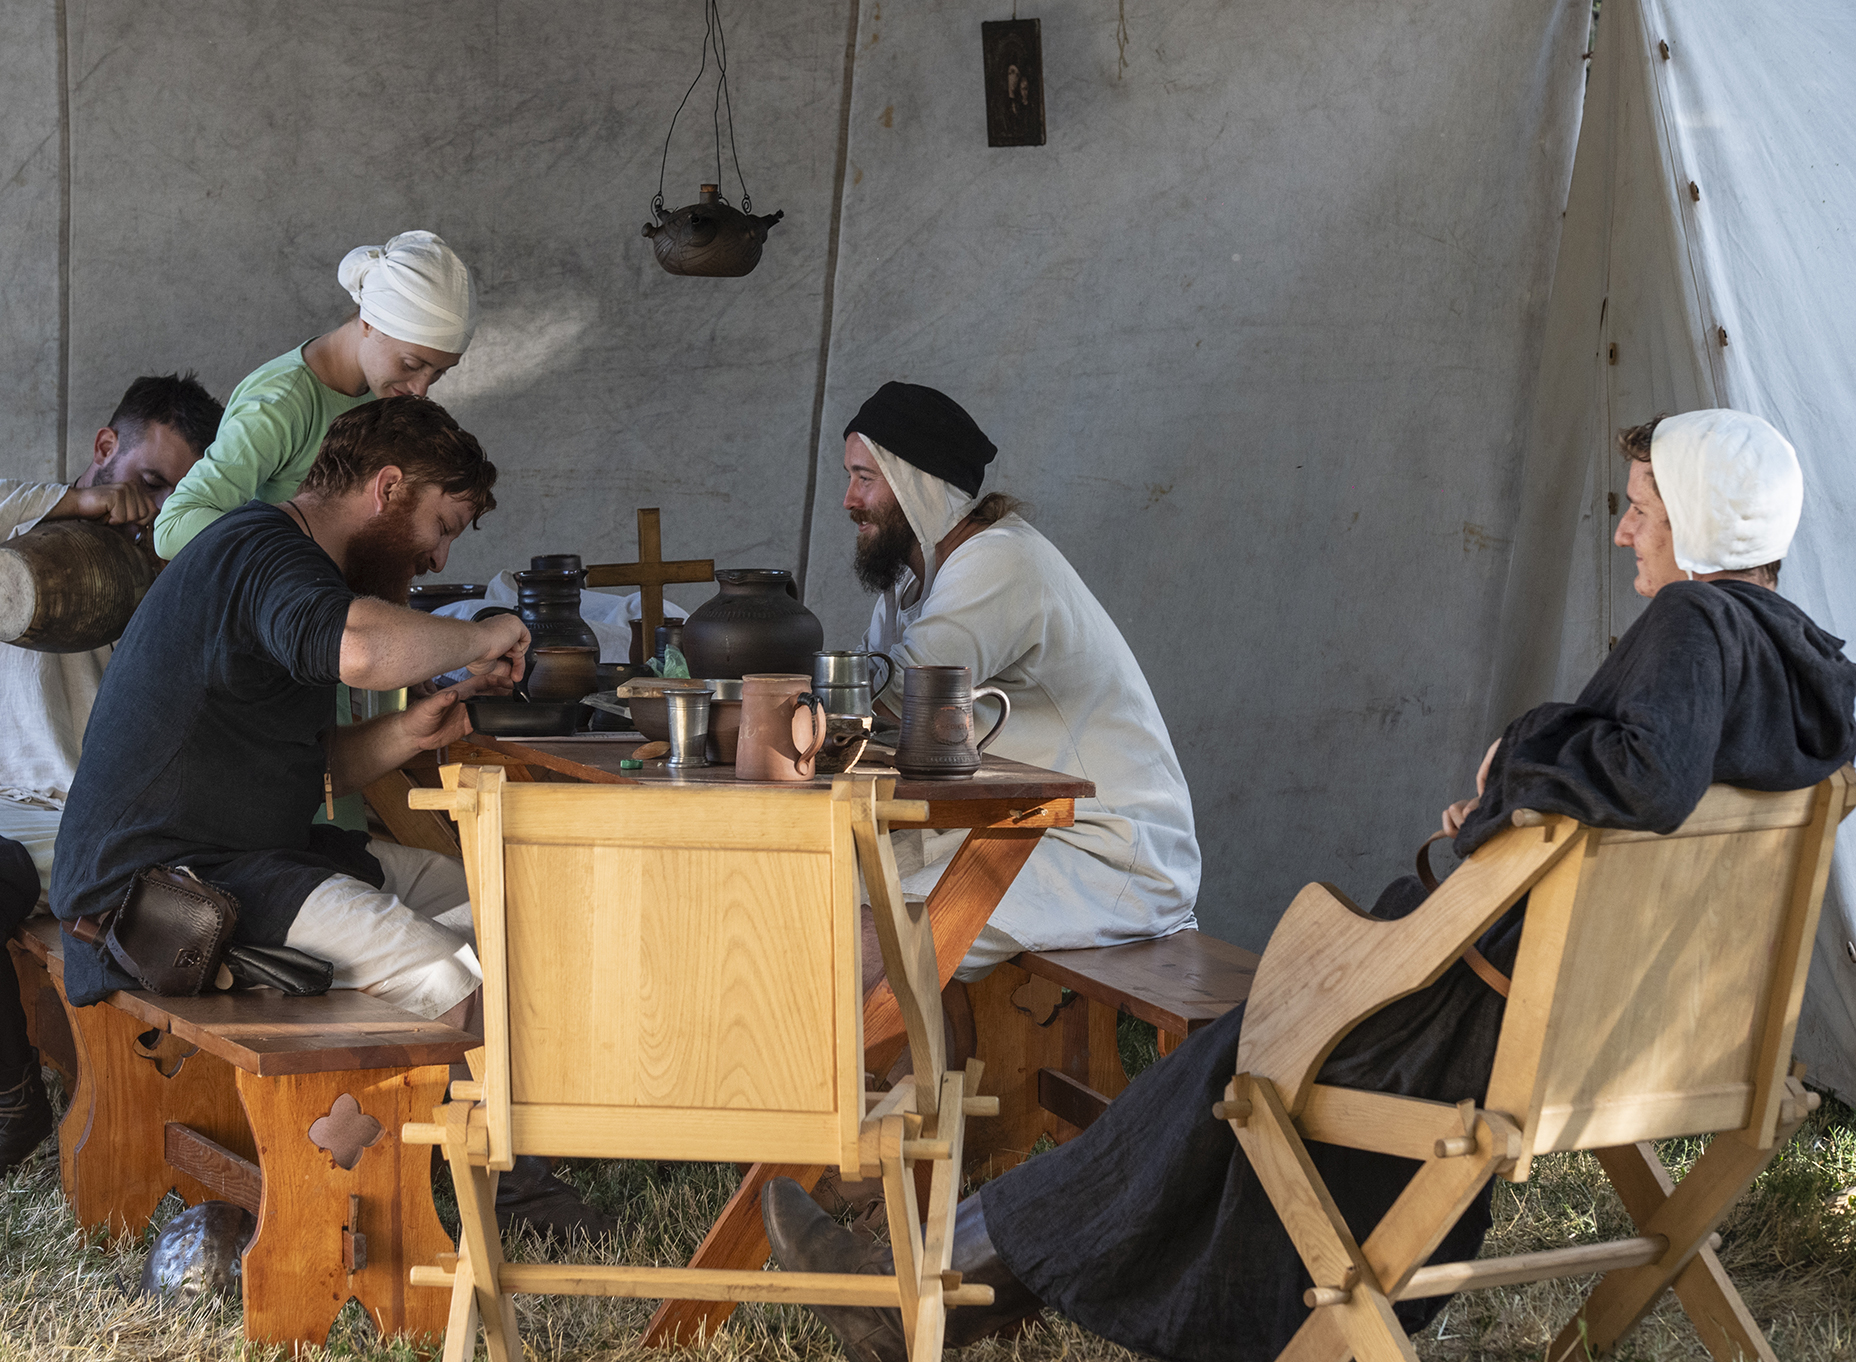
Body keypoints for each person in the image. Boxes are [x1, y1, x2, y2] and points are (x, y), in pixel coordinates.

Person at [765, 407, 1856, 1362]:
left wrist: (1510, 767)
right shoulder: (1804, 664)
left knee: (1230, 1070)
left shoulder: (1691, 625)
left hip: (1482, 1025)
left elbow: (1645, 776)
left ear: (1703, 519)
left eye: (1640, 510)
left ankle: (916, 1291)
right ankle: (956, 1284)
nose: (1623, 531)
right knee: (1226, 1077)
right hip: (1644, 1038)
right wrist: (1523, 803)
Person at [50, 395, 611, 1240]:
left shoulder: (283, 563)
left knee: (503, 897)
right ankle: (510, 1191)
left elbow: (297, 766)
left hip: (247, 853)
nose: (439, 554)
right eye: (442, 523)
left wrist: (405, 731)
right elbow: (357, 646)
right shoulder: (263, 550)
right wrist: (485, 631)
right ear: (387, 489)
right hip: (163, 893)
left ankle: (505, 1131)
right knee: (443, 976)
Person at [0, 373, 224, 1197]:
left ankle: (184, 1115)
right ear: (107, 448)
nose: (157, 510)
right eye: (149, 484)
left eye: (181, 495)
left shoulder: (179, 573)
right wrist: (70, 505)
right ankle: (7, 1103)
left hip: (115, 825)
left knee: (224, 917)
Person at [841, 382, 1200, 987]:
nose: (849, 500)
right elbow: (862, 703)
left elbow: (895, 694)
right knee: (825, 883)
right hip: (1017, 827)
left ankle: (888, 1080)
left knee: (872, 935)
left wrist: (781, 682)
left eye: (864, 479)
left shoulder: (999, 561)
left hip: (1104, 851)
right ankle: (919, 1076)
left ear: (916, 487)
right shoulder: (911, 585)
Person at [152, 230, 479, 822]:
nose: (420, 389)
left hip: (341, 670)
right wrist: (281, 562)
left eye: (439, 373)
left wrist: (408, 679)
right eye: (412, 364)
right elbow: (175, 526)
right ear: (367, 321)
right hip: (283, 673)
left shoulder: (380, 401)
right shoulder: (281, 403)